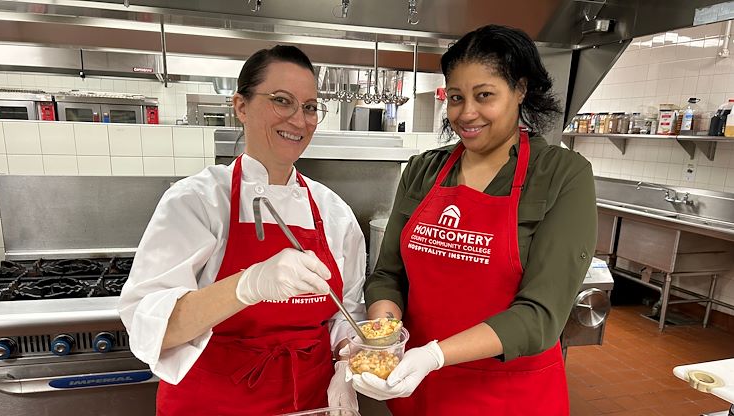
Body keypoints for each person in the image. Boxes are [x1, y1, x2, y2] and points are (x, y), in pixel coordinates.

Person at [353, 24, 597, 415]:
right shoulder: (423, 170)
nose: (466, 113)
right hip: (420, 390)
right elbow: (388, 276)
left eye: (484, 96)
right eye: (455, 97)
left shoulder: (561, 175)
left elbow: (541, 316)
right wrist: (383, 339)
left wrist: (434, 355)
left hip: (509, 394)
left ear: (520, 89)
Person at [118, 45, 364, 416]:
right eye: (282, 101)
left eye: (310, 107)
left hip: (311, 403)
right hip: (214, 403)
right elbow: (149, 328)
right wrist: (247, 285)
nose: (299, 120)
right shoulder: (197, 201)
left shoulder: (334, 212)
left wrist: (349, 360)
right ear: (241, 106)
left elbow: (346, 314)